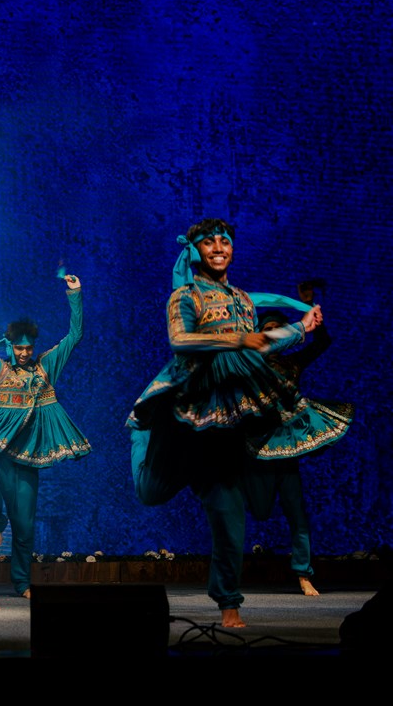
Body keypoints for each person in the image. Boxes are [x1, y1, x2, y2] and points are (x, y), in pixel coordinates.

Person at [128, 220, 350, 627]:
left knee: (230, 514)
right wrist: (237, 339)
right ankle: (141, 436)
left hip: (225, 422)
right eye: (208, 242)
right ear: (195, 251)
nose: (218, 247)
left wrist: (301, 327)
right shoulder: (186, 295)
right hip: (182, 417)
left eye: (225, 242)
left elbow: (258, 345)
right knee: (150, 493)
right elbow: (180, 341)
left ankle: (229, 604)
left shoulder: (244, 301)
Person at [0, 274, 90, 598]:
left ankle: (22, 582)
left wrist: (75, 295)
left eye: (28, 348)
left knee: (24, 527)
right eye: (19, 348)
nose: (24, 353)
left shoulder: (45, 368)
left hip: (26, 457)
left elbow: (75, 336)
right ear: (10, 346)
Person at [245, 280, 352, 597]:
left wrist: (309, 305)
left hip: (287, 449)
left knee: (297, 512)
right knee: (259, 510)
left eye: (279, 329)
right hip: (257, 448)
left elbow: (322, 342)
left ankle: (304, 574)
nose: (275, 333)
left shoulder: (293, 362)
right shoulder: (249, 362)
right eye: (269, 329)